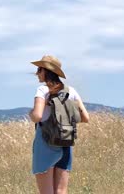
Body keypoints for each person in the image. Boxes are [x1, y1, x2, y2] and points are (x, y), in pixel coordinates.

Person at [28, 55, 90, 194]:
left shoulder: (43, 90)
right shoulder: (71, 91)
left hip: (45, 143)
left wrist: (30, 113)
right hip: (65, 143)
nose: (37, 73)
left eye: (39, 69)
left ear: (45, 71)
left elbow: (37, 116)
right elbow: (85, 117)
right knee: (61, 191)